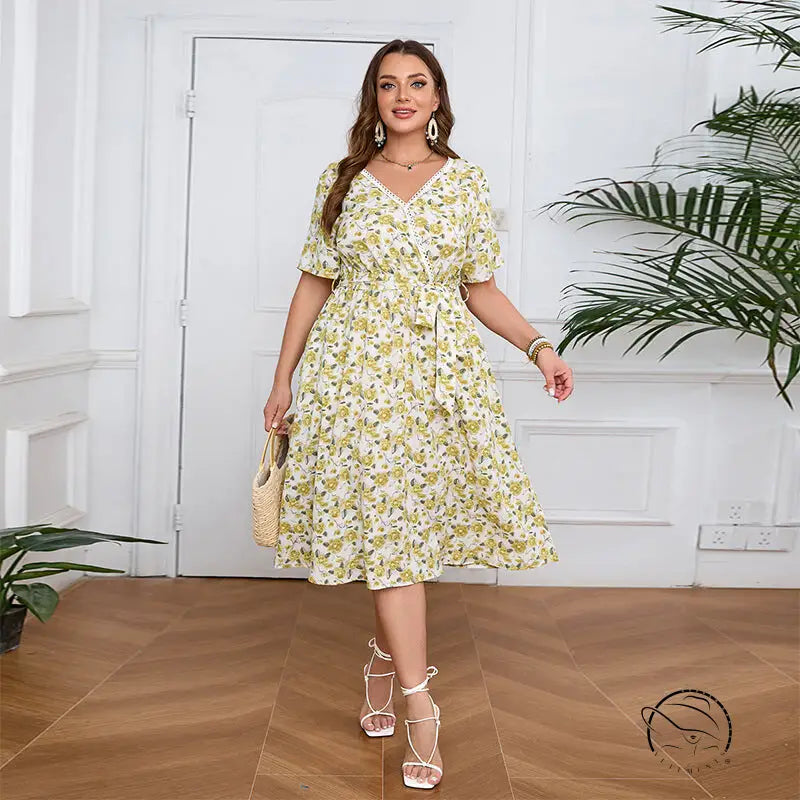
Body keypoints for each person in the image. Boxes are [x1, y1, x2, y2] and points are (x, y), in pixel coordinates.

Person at [263, 39, 572, 790]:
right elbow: (314, 283)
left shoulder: (465, 183)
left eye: (418, 82)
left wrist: (539, 347)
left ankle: (383, 664)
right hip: (352, 379)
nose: (403, 95)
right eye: (388, 84)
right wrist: (282, 380)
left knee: (399, 534)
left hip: (439, 381)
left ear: (437, 99)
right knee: (388, 532)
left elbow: (479, 288)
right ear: (373, 98)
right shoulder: (341, 180)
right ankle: (420, 706)